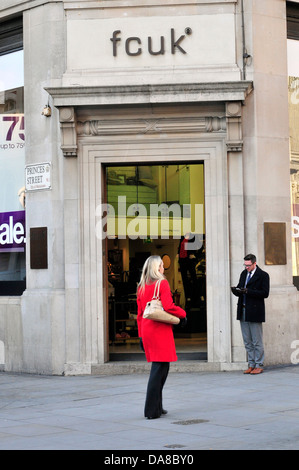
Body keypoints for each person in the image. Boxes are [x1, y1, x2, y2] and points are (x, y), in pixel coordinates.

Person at [137, 255, 187, 419]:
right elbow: (169, 306)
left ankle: (157, 405)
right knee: (159, 369)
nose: (163, 268)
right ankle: (151, 410)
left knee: (162, 368)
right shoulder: (162, 283)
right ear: (157, 268)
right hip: (159, 329)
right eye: (161, 266)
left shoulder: (142, 286)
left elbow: (139, 314)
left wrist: (140, 335)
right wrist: (183, 314)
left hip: (147, 329)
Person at [231, 254, 270, 375]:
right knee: (247, 340)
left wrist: (248, 291)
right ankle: (251, 364)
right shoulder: (244, 274)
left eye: (248, 265)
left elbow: (265, 293)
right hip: (243, 309)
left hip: (255, 310)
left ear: (254, 263)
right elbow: (240, 288)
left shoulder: (263, 275)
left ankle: (259, 364)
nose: (246, 267)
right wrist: (236, 290)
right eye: (245, 265)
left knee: (256, 340)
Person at [177, 233, 198, 307]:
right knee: (185, 280)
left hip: (189, 259)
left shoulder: (194, 236)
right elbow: (180, 246)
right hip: (182, 260)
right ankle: (188, 297)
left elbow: (198, 247)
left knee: (193, 278)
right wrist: (178, 254)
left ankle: (195, 296)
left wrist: (194, 255)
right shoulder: (182, 236)